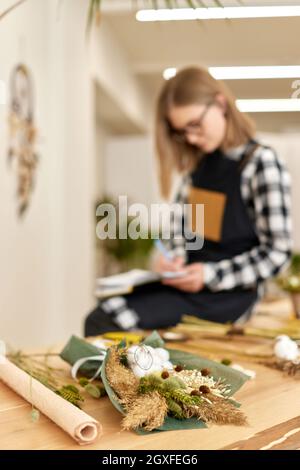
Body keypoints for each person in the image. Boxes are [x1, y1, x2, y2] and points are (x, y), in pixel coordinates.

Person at [85, 66, 292, 336]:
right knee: (105, 309)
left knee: (105, 320)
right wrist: (171, 259)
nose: (191, 138)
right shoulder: (197, 170)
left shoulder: (260, 164)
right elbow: (181, 235)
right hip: (189, 287)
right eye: (183, 132)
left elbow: (277, 254)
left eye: (195, 125)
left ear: (220, 104)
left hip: (229, 296)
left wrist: (208, 275)